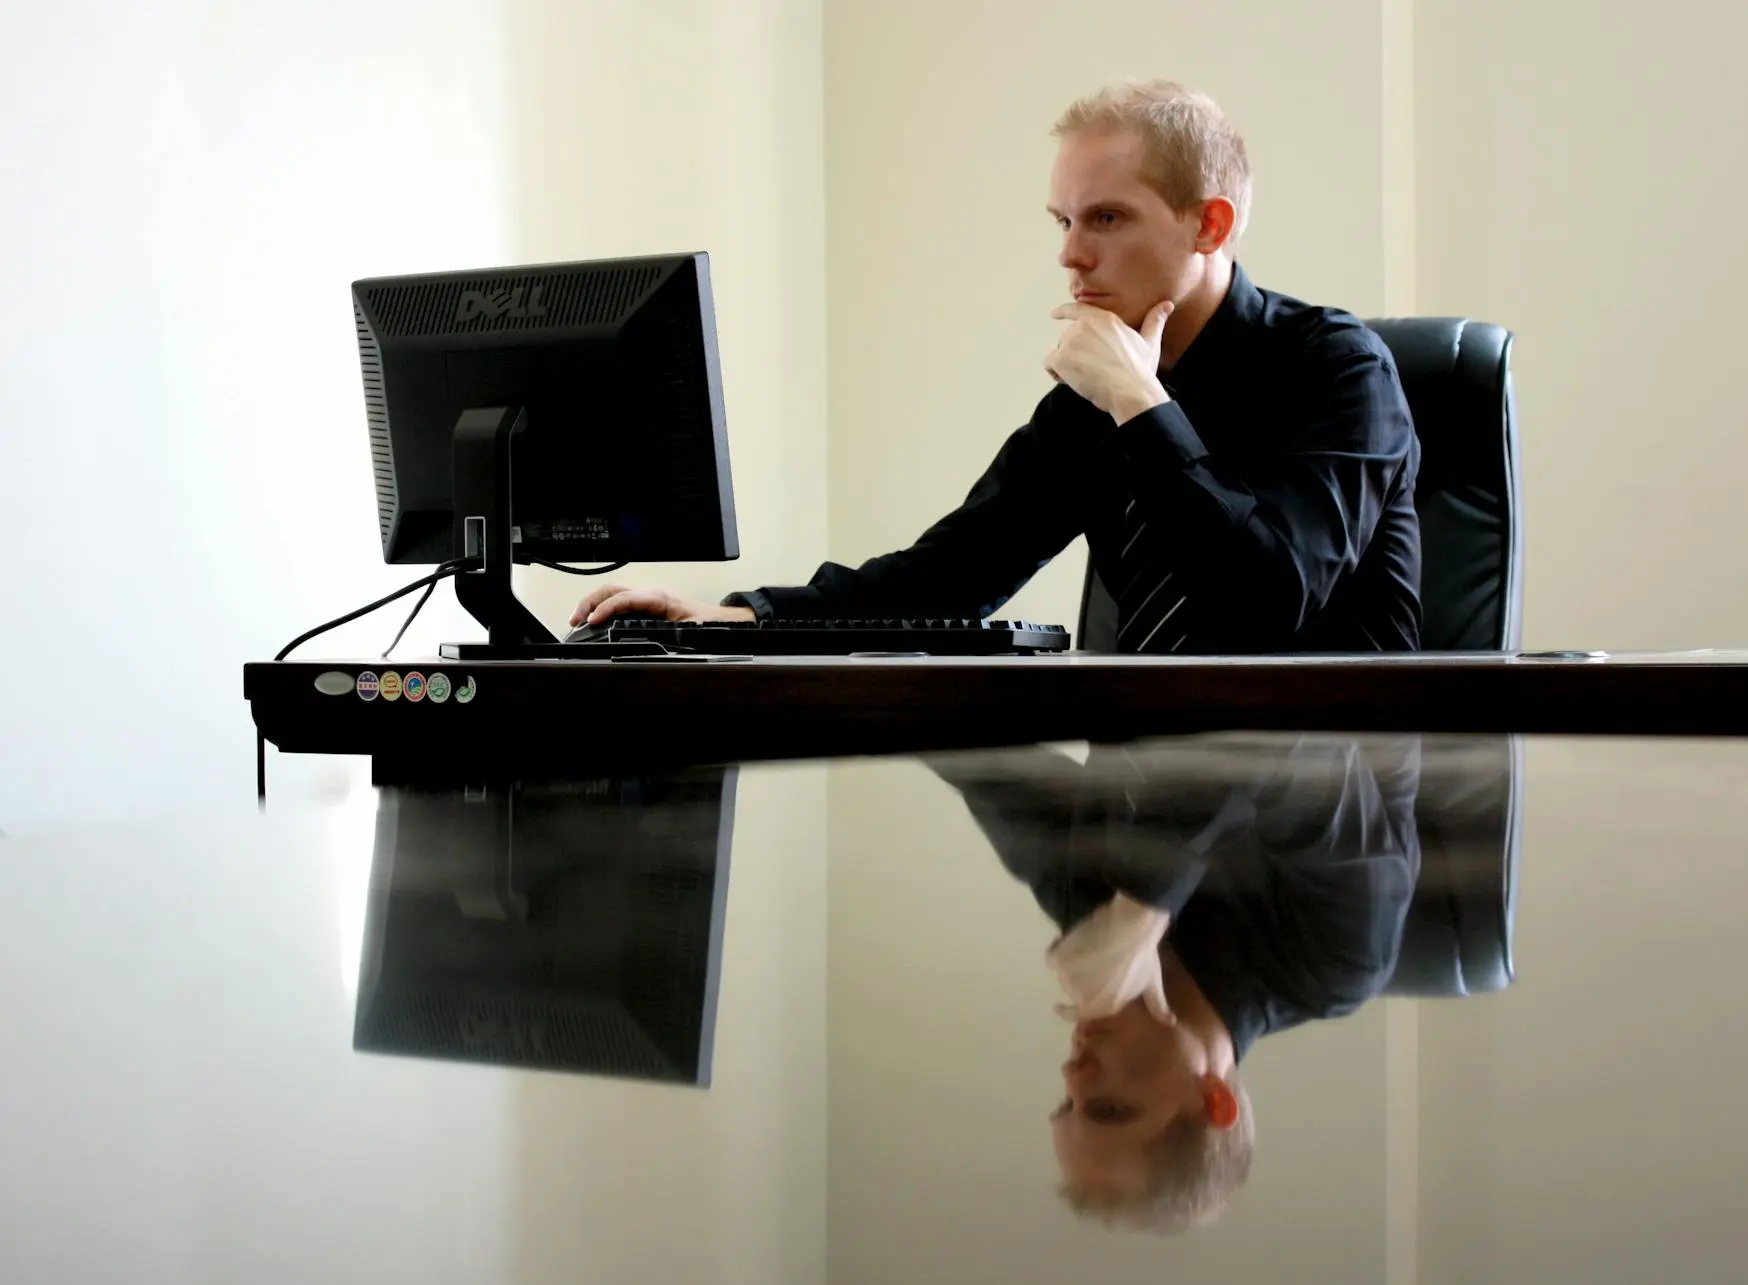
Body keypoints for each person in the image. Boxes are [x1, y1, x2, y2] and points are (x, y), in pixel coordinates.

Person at [574, 80, 1421, 654]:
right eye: (1062, 220)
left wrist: (1139, 401)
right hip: (1145, 807)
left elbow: (1269, 600)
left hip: (1320, 824)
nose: (1071, 255)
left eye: (1107, 218)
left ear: (1208, 225)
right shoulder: (1095, 399)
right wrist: (734, 618)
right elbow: (945, 580)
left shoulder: (1340, 371)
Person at [924, 733, 1422, 1231]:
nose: (1073, 1074)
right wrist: (1142, 909)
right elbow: (1277, 729)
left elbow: (981, 758)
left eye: (1065, 1103)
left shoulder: (1090, 919)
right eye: (1110, 1107)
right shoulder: (1336, 963)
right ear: (1214, 1099)